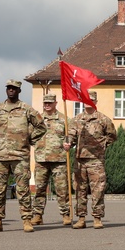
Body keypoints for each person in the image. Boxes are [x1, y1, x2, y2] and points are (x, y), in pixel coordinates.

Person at [0, 80, 47, 233]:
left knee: (23, 189)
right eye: (9, 88)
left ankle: (26, 220)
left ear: (19, 91)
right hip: (2, 156)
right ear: (6, 90)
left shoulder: (26, 109)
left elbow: (41, 126)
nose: (11, 90)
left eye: (14, 89)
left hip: (20, 156)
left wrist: (29, 139)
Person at [64, 90, 116, 230]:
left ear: (95, 102)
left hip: (96, 161)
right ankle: (81, 218)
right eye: (86, 100)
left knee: (97, 190)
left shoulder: (103, 119)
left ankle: (97, 218)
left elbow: (112, 135)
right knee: (80, 189)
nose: (88, 102)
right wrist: (68, 143)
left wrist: (102, 146)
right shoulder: (76, 119)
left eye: (91, 100)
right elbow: (70, 135)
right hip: (80, 160)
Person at [32, 94, 71, 226]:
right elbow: (29, 135)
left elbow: (71, 135)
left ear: (55, 103)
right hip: (41, 159)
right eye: (45, 103)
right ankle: (37, 215)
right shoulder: (37, 119)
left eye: (50, 103)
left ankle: (65, 214)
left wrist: (69, 143)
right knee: (39, 189)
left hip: (59, 159)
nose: (47, 105)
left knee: (62, 189)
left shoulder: (64, 119)